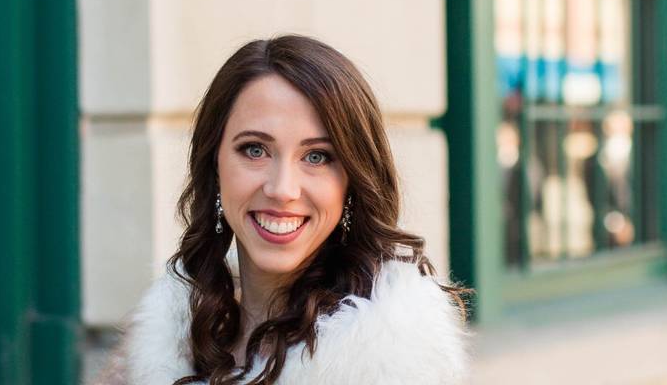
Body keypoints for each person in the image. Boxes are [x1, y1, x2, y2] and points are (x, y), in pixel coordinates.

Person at [100, 35, 470, 384]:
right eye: (255, 150)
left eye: (317, 156)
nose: (282, 189)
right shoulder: (165, 343)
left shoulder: (393, 358)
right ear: (214, 166)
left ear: (352, 183)